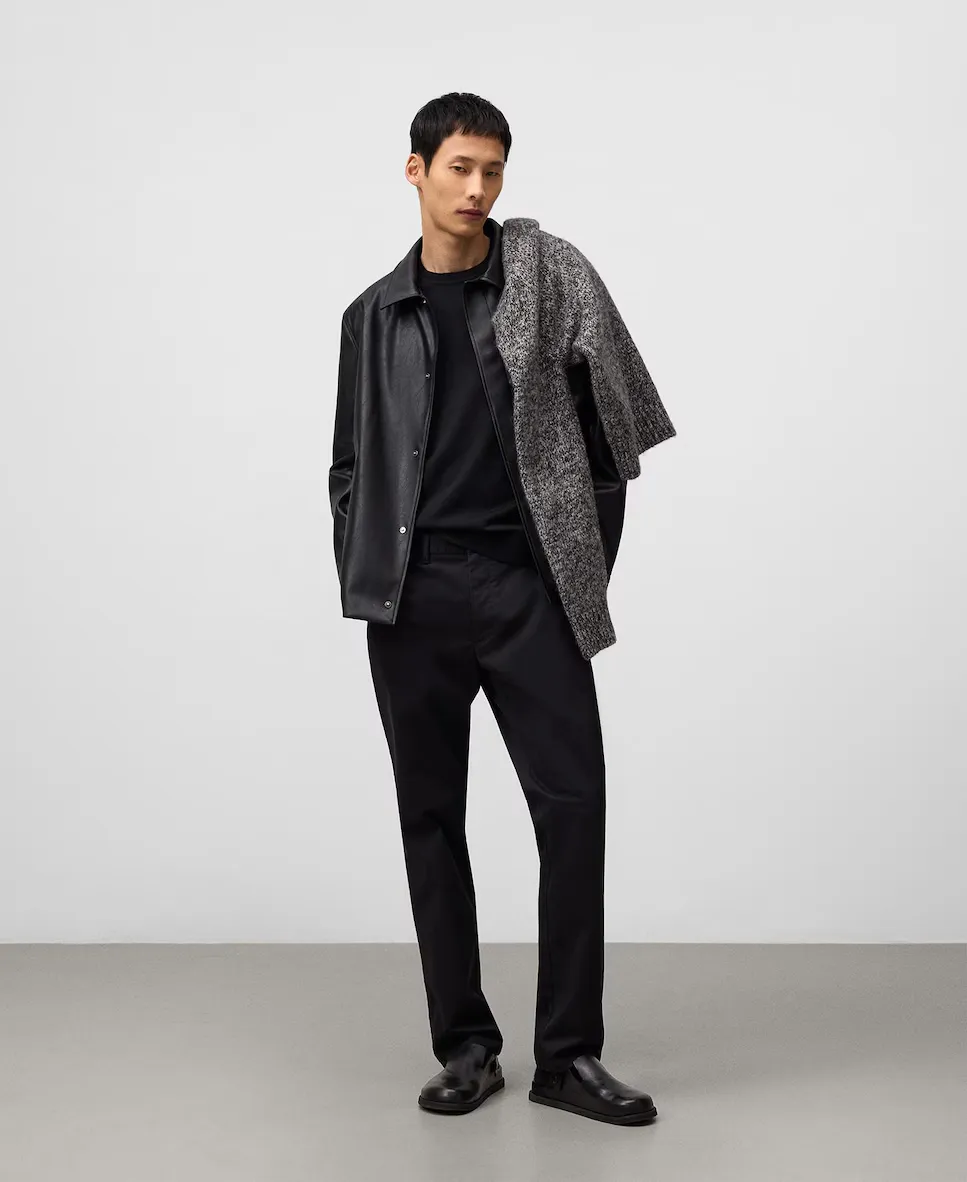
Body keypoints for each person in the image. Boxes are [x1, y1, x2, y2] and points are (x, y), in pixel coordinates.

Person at [329, 92, 674, 1125]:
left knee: (573, 810)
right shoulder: (371, 316)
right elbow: (349, 466)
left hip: (527, 591)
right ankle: (465, 1048)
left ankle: (566, 1056)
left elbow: (614, 438)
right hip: (414, 600)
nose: (477, 188)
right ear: (415, 171)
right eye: (459, 168)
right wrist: (366, 565)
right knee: (430, 819)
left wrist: (575, 568)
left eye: (492, 171)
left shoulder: (541, 278)